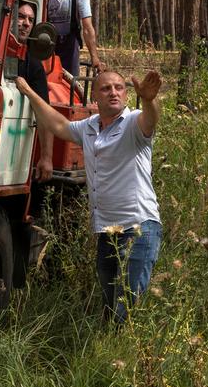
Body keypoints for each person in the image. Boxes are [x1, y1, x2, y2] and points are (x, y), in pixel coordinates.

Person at [15, 68, 163, 323]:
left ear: (127, 94)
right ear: (95, 96)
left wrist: (149, 100)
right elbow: (58, 123)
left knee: (125, 309)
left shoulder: (133, 122)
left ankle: (125, 356)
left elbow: (150, 121)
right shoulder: (90, 126)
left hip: (138, 229)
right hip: (108, 230)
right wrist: (29, 92)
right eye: (106, 88)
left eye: (119, 87)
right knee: (108, 307)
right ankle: (110, 350)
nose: (113, 92)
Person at [13, 1, 54, 181]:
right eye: (21, 16)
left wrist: (46, 157)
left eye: (30, 19)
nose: (27, 23)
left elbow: (45, 113)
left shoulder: (34, 65)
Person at [45, 0, 103, 77]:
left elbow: (87, 28)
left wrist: (94, 57)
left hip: (70, 45)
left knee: (71, 84)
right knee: (46, 81)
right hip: (47, 44)